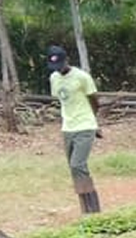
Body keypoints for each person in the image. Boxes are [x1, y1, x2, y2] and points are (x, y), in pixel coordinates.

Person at [46, 45, 103, 214]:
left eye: (61, 65)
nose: (59, 69)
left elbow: (95, 101)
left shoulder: (81, 77)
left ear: (67, 60)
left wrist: (92, 121)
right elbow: (61, 100)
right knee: (74, 169)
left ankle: (93, 207)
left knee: (78, 164)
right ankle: (85, 207)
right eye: (55, 67)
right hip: (68, 128)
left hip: (85, 125)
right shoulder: (54, 78)